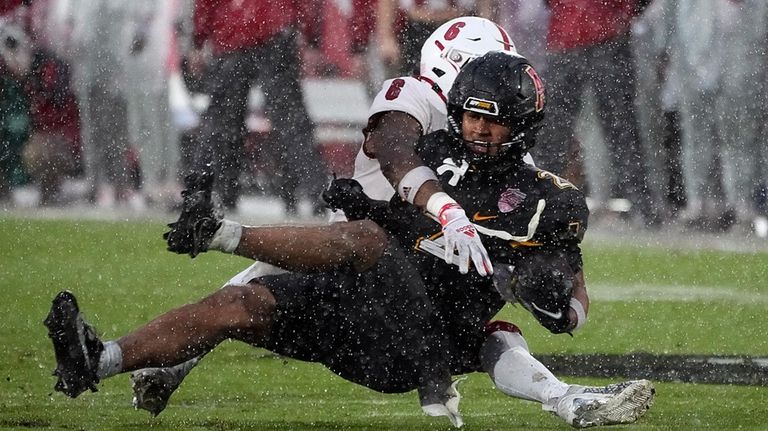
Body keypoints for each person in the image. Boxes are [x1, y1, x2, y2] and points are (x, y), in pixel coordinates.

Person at [45, 51, 655, 429]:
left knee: (394, 260)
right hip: (357, 315)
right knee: (240, 304)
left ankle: (221, 233)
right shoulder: (431, 151)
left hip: (425, 344)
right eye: (470, 116)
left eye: (492, 120)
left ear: (522, 124)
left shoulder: (551, 200)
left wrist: (542, 294)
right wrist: (372, 200)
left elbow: (573, 307)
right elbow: (395, 187)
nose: (477, 130)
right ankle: (97, 361)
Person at [124, 17, 519, 413]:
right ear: (457, 65)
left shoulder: (481, 121)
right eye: (488, 68)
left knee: (255, 286)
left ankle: (163, 364)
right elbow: (398, 157)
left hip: (419, 248)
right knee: (253, 288)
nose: (500, 80)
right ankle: (161, 364)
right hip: (373, 238)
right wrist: (447, 209)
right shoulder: (413, 95)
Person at [187, 0, 328, 213]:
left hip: (232, 31)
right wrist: (310, 36)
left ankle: (214, 194)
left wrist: (198, 39)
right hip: (273, 29)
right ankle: (315, 194)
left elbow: (205, 5)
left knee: (224, 126)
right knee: (291, 125)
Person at [533, 0, 662, 227]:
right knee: (559, 132)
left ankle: (537, 203)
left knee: (614, 129)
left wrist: (623, 14)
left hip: (586, 37)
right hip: (589, 37)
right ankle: (643, 207)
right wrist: (623, 14)